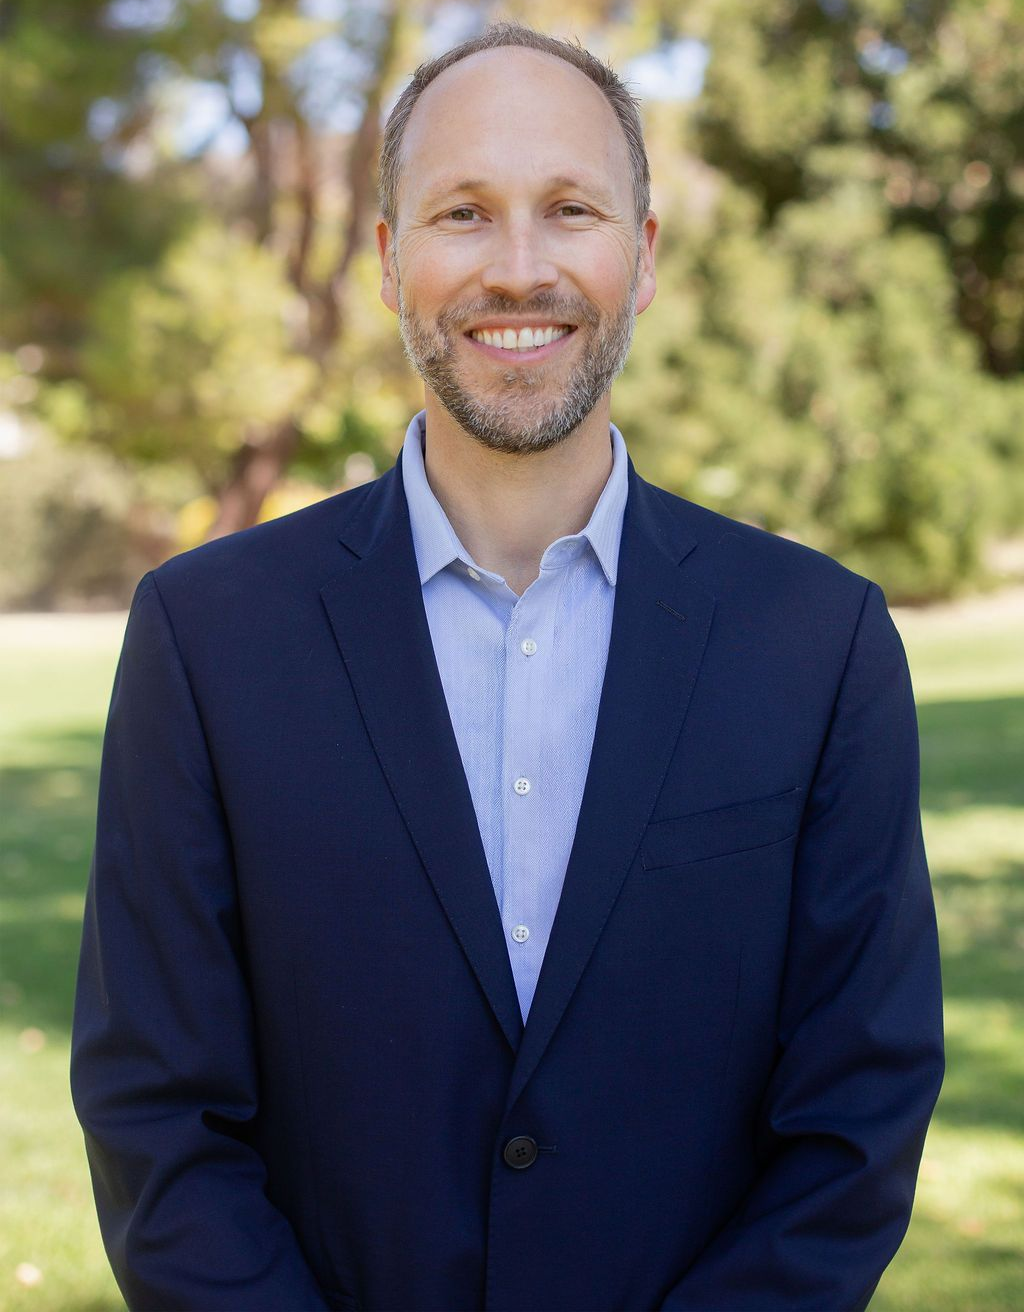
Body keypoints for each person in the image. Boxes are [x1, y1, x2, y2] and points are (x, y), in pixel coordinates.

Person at [71, 20, 944, 1312]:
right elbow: (161, 1124)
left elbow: (854, 1126)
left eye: (571, 208)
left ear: (640, 257)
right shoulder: (204, 642)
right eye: (464, 213)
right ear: (387, 259)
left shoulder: (821, 647)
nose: (520, 269)